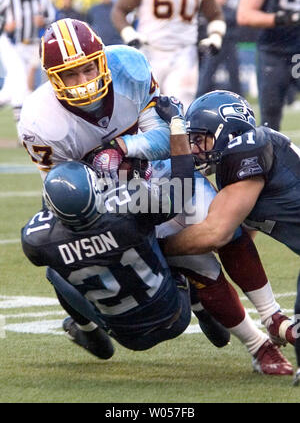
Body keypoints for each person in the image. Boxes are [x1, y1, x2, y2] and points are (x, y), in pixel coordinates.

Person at [19, 18, 293, 375]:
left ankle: (272, 314)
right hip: (110, 200)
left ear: (102, 60)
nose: (84, 81)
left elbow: (167, 139)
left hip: (161, 170)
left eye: (88, 68)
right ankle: (258, 345)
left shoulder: (128, 66)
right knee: (199, 266)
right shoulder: (41, 121)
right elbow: (63, 191)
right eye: (70, 75)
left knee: (224, 229)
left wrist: (123, 147)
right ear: (52, 78)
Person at [158, 89, 300, 384]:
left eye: (200, 138)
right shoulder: (239, 164)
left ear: (229, 130)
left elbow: (215, 234)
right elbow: (240, 235)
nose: (195, 149)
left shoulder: (247, 148)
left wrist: (158, 248)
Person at [21, 116, 194, 355]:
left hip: (127, 336)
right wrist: (177, 128)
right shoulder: (128, 210)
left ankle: (90, 333)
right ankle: (207, 314)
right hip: (176, 313)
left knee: (54, 272)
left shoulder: (37, 240)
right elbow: (183, 189)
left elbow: (50, 232)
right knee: (169, 234)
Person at [111, 0, 227, 111]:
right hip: (150, 51)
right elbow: (119, 10)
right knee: (142, 108)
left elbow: (215, 14)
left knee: (180, 109)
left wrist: (216, 35)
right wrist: (129, 34)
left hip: (183, 54)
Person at [237, 0, 300, 131]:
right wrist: (282, 19)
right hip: (273, 51)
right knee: (270, 114)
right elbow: (244, 15)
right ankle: (269, 151)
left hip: (297, 52)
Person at [1, 0, 56, 125]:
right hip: (11, 43)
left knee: (9, 91)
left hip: (33, 45)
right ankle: (22, 128)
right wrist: (4, 25)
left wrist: (43, 21)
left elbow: (53, 19)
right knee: (20, 80)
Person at [196, 0, 242, 97]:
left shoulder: (232, 6)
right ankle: (199, 97)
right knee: (206, 74)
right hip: (215, 45)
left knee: (234, 74)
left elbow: (237, 20)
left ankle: (239, 98)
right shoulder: (210, 9)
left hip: (229, 43)